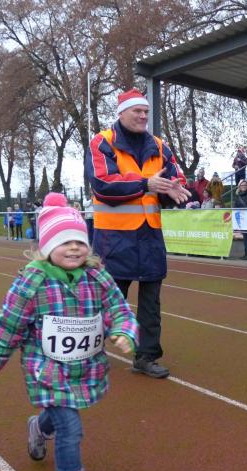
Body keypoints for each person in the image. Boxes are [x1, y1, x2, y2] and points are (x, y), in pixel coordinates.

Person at [0, 192, 138, 471]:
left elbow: (120, 309)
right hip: (46, 369)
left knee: (60, 417)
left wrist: (124, 331)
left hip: (85, 366)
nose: (74, 248)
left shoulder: (98, 277)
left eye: (80, 241)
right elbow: (8, 327)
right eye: (65, 242)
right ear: (47, 247)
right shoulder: (32, 283)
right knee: (70, 428)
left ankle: (38, 426)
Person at [85, 87, 189, 379]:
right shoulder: (102, 142)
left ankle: (146, 356)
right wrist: (145, 184)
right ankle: (89, 352)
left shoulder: (160, 146)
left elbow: (175, 178)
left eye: (146, 111)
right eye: (137, 111)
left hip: (150, 238)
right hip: (114, 239)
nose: (143, 116)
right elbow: (103, 184)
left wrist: (174, 190)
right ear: (122, 113)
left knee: (150, 304)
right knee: (107, 302)